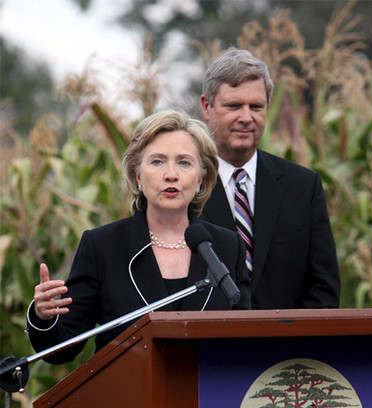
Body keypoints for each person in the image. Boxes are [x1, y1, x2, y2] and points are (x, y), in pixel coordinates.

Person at [27, 110, 250, 364]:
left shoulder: (227, 246)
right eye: (157, 161)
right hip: (127, 399)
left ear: (201, 178)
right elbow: (62, 348)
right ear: (138, 175)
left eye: (184, 162)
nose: (171, 174)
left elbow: (244, 335)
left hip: (208, 397)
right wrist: (43, 317)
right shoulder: (103, 246)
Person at [200, 48, 340, 309]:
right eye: (233, 106)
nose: (246, 117)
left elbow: (323, 288)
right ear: (207, 107)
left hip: (289, 346)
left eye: (256, 106)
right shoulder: (183, 187)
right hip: (206, 345)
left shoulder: (303, 187)